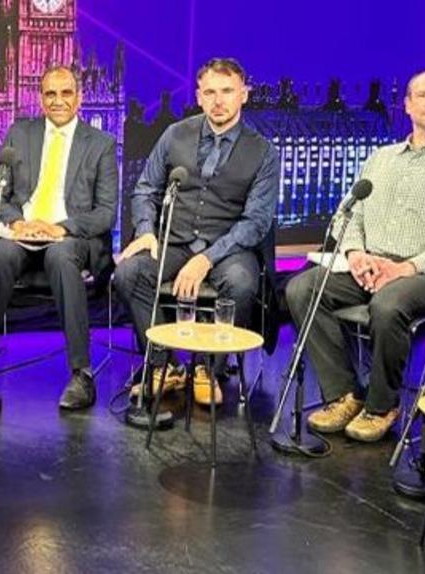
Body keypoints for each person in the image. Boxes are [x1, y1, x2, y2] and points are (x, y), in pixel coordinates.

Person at [284, 69, 425, 443]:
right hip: (370, 265)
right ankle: (343, 394)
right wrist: (358, 254)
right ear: (407, 104)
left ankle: (382, 405)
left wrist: (406, 267)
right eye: (423, 95)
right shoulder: (380, 159)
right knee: (302, 288)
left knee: (388, 303)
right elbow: (350, 215)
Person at [114, 57, 278, 406]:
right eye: (210, 92)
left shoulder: (264, 152)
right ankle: (163, 365)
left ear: (243, 95)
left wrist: (206, 258)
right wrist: (145, 230)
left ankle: (208, 369)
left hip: (229, 247)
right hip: (173, 240)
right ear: (199, 97)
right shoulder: (175, 134)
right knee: (129, 273)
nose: (219, 100)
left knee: (241, 283)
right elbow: (146, 189)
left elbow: (256, 222)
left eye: (227, 91)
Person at [0, 66, 118, 411]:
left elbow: (106, 213)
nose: (58, 101)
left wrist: (61, 227)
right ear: (40, 97)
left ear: (80, 97)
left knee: (61, 257)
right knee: (0, 254)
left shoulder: (101, 143)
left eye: (66, 93)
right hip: (24, 233)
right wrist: (17, 224)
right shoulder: (19, 133)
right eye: (50, 94)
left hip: (70, 236)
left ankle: (81, 373)